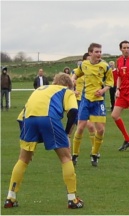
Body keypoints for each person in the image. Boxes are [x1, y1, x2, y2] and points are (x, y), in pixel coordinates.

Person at [3, 73, 84, 209]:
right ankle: (72, 199)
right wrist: (67, 134)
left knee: (23, 159)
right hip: (49, 119)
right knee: (66, 157)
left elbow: (20, 118)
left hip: (28, 120)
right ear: (68, 85)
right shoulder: (66, 91)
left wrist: (27, 143)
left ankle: (10, 198)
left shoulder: (39, 90)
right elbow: (74, 112)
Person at [71, 43, 114, 167]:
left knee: (100, 129)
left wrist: (103, 90)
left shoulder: (105, 66)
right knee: (80, 127)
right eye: (96, 52)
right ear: (90, 53)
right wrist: (73, 78)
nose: (99, 54)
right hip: (85, 100)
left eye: (100, 51)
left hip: (98, 101)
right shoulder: (84, 65)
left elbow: (110, 82)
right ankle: (75, 154)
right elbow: (77, 73)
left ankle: (94, 154)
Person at [70, 53, 97, 166]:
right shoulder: (76, 71)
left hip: (89, 100)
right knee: (77, 127)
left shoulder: (94, 71)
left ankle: (94, 151)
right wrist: (73, 91)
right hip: (78, 101)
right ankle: (74, 153)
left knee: (90, 126)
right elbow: (69, 84)